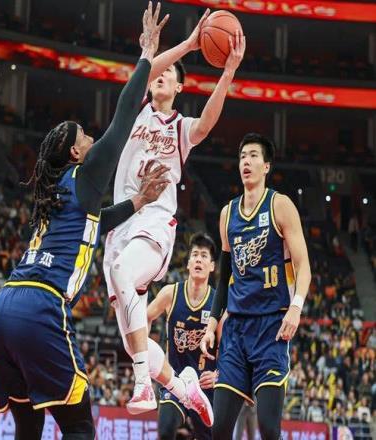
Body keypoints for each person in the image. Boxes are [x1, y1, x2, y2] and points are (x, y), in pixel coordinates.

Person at [0, 4, 171, 439]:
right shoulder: (86, 175)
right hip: (40, 309)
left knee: (28, 427)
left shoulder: (54, 195)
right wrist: (146, 55)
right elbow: (123, 119)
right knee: (79, 425)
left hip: (2, 310)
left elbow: (93, 225)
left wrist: (138, 201)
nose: (91, 139)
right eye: (85, 137)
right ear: (74, 152)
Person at [102, 7, 245, 415]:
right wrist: (189, 43)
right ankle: (183, 389)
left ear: (181, 87)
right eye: (160, 73)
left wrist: (227, 72)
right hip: (120, 225)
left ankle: (143, 386)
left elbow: (207, 124)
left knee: (123, 272)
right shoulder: (135, 112)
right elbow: (145, 71)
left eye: (171, 74)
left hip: (154, 224)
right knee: (133, 339)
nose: (162, 75)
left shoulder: (180, 128)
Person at [200, 133, 312, 439]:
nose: (246, 162)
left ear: (266, 166)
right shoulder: (227, 214)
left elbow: (303, 266)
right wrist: (211, 324)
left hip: (271, 328)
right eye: (242, 157)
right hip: (236, 331)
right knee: (220, 429)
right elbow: (224, 277)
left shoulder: (280, 206)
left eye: (253, 156)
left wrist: (296, 307)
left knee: (269, 428)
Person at [148, 233, 220, 440]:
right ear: (188, 263)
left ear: (212, 266)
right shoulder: (170, 293)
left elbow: (230, 346)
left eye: (204, 256)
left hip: (204, 385)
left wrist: (218, 374)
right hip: (175, 380)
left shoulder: (218, 302)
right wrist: (144, 356)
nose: (198, 259)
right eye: (195, 255)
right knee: (165, 431)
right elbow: (145, 318)